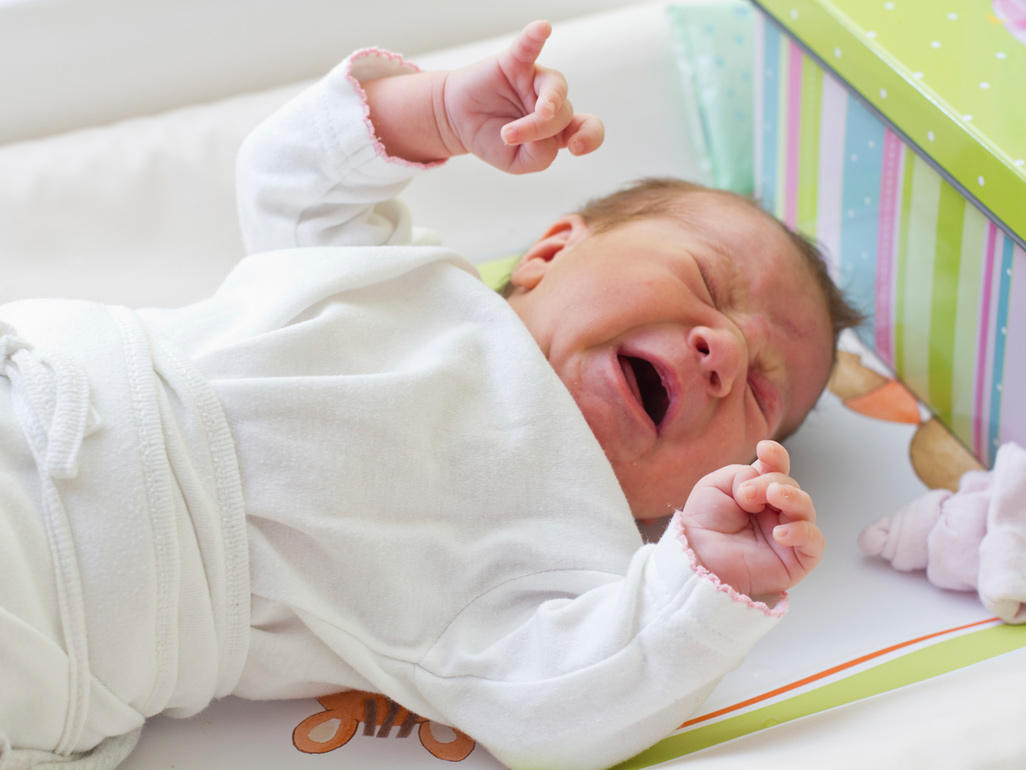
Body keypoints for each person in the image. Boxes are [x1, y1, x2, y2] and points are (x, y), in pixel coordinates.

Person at [0, 20, 859, 770]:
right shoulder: (406, 276)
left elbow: (560, 710)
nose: (725, 350)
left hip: (65, 616)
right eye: (709, 279)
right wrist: (440, 111)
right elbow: (291, 174)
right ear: (551, 250)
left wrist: (702, 583)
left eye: (758, 391)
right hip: (38, 387)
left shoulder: (570, 560)